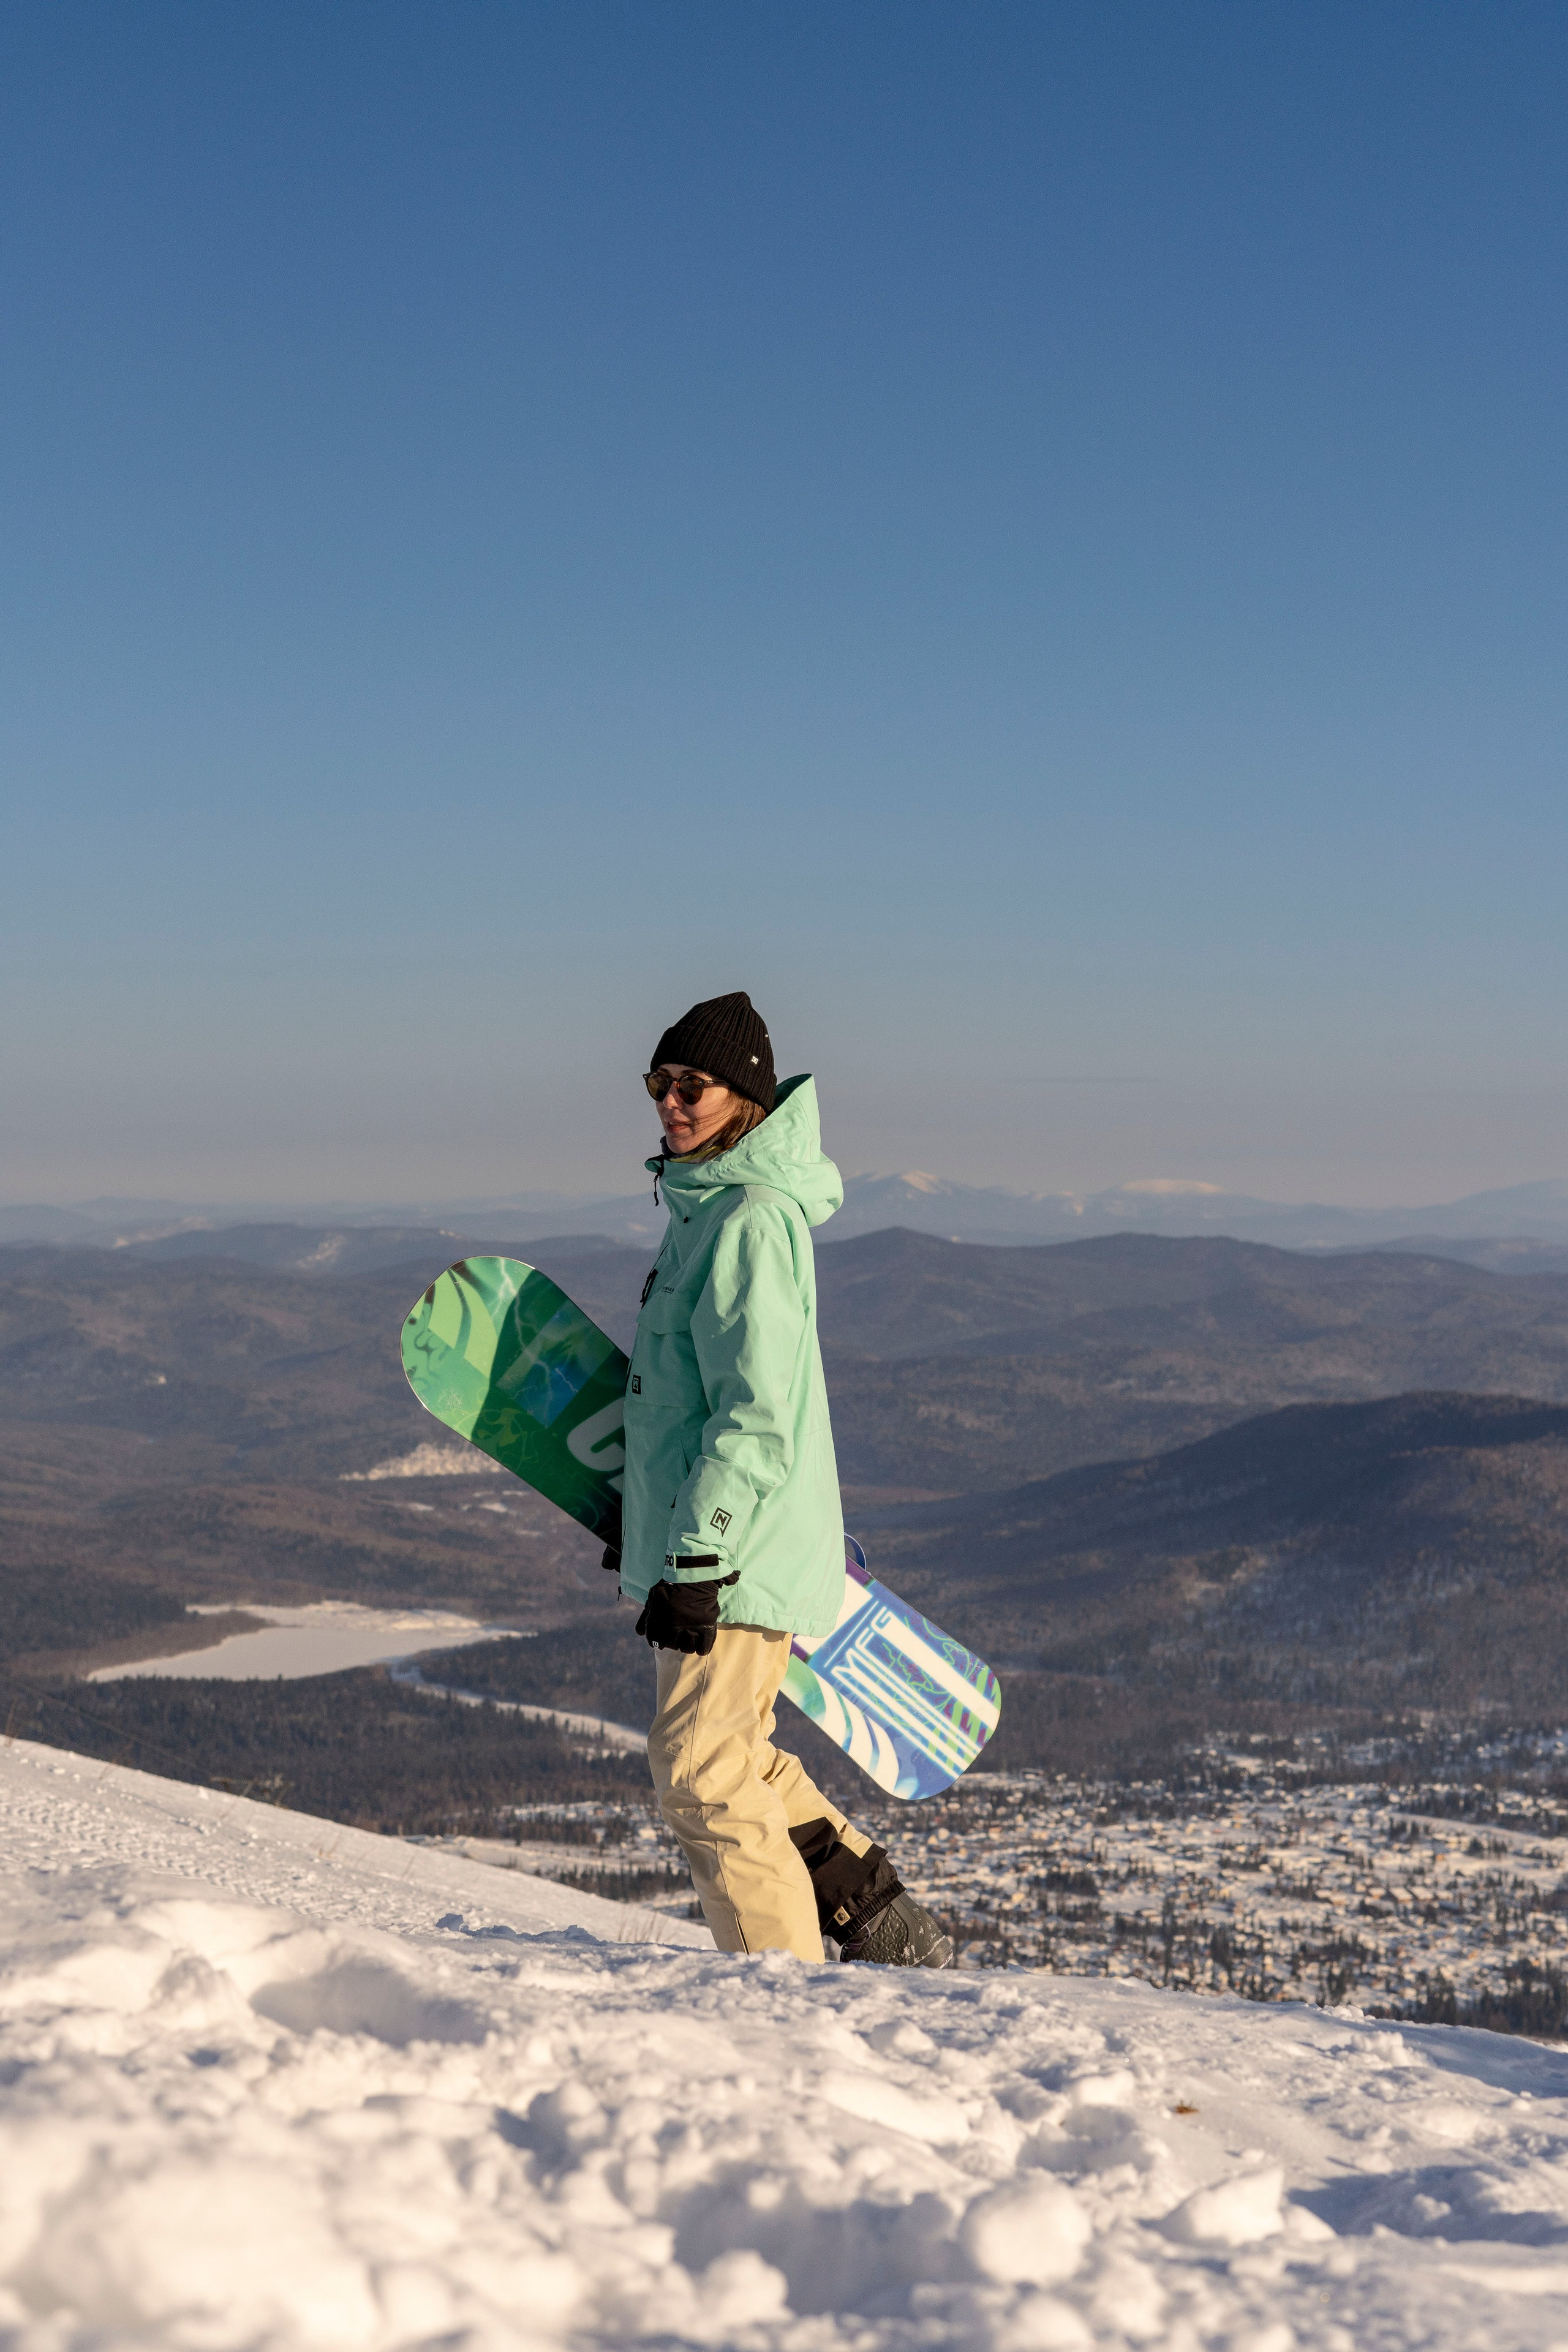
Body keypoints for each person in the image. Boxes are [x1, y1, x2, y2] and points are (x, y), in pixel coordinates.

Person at [611, 989, 952, 1967]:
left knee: (703, 1778)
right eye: (658, 1084)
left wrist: (694, 1552)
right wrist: (648, 1518)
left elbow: (756, 1417)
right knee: (737, 1759)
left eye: (692, 1086)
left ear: (745, 1099)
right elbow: (687, 1411)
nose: (671, 1104)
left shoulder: (748, 1223)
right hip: (721, 1545)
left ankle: (783, 2004)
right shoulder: (707, 1213)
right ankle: (872, 1910)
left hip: (730, 1555)